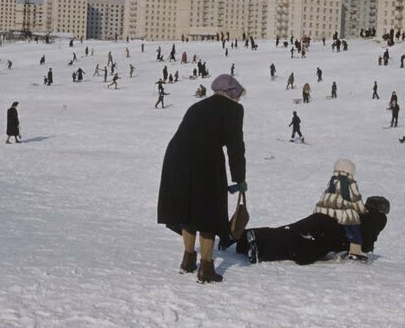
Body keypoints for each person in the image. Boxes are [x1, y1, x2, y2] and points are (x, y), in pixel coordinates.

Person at [157, 74, 246, 284]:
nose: (240, 100)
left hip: (176, 158)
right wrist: (240, 178)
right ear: (232, 93)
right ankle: (206, 267)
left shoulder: (198, 106)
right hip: (204, 160)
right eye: (239, 95)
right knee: (209, 212)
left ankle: (188, 260)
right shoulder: (233, 109)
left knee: (189, 210)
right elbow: (235, 146)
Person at [238, 196, 389, 265]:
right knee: (295, 248)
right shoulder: (376, 221)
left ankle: (246, 237)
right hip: (325, 234)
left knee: (289, 231)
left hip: (321, 219)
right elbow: (365, 245)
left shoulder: (359, 210)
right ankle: (259, 250)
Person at [313, 159, 368, 260]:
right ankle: (355, 251)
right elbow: (355, 199)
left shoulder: (332, 180)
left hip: (325, 211)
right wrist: (362, 210)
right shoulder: (350, 182)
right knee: (353, 225)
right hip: (341, 213)